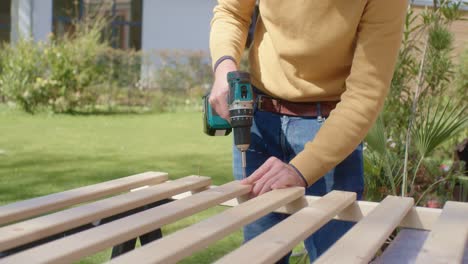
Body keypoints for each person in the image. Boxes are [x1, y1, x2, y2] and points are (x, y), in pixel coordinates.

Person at [208, 0, 407, 262]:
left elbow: (365, 94)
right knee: (260, 255)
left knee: (336, 256)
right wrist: (224, 66)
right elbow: (232, 12)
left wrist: (302, 169)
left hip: (330, 129)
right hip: (258, 117)